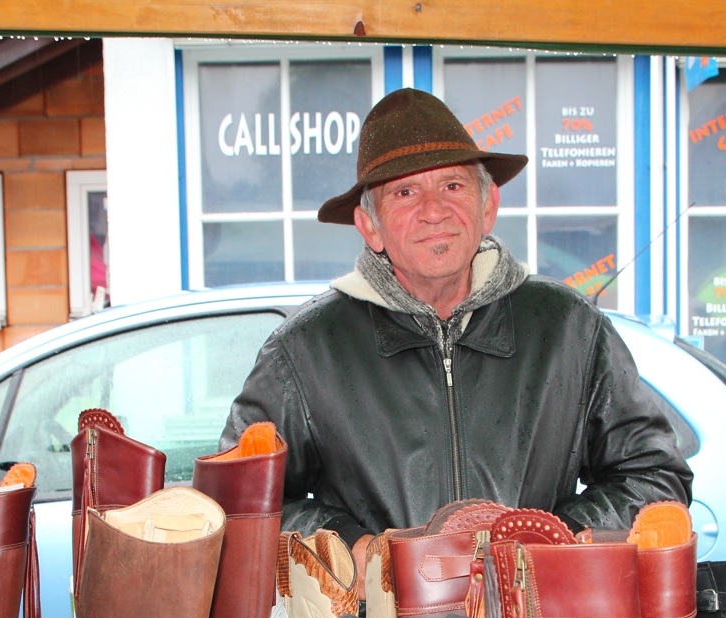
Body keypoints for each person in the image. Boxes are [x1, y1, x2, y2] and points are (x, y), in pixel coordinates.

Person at [221, 87, 692, 545]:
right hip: (375, 605)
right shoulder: (304, 350)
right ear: (370, 226)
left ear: (487, 207)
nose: (434, 211)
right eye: (405, 192)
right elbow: (237, 504)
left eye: (452, 185)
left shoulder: (570, 329)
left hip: (537, 601)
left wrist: (546, 542)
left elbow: (654, 476)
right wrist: (354, 550)